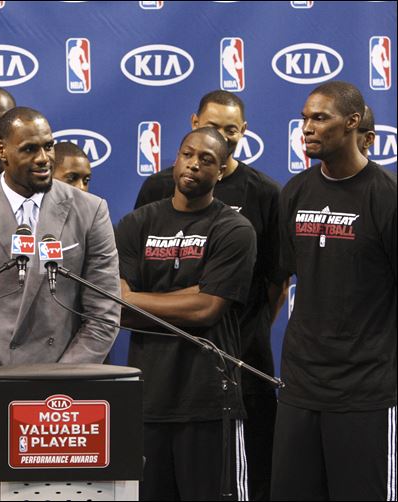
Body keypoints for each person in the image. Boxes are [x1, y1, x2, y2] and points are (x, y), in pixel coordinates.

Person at [0, 106, 121, 452]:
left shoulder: (91, 210)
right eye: (30, 149)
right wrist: (1, 386)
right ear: (1, 150)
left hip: (70, 397)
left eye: (48, 146)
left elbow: (104, 315)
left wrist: (57, 385)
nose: (44, 158)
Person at [134, 90, 286, 500]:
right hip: (162, 369)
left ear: (244, 131)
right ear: (193, 124)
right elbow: (129, 286)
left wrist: (230, 322)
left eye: (230, 130)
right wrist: (192, 301)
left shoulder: (264, 192)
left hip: (240, 361)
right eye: (210, 127)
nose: (221, 136)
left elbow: (275, 282)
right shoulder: (157, 189)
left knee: (244, 478)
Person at [116, 127, 257, 501]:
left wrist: (135, 298)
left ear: (222, 171)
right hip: (148, 400)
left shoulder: (234, 229)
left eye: (206, 160)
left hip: (209, 401)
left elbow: (207, 309)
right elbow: (116, 307)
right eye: (187, 154)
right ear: (176, 158)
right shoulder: (136, 224)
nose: (193, 164)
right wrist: (194, 293)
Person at [272, 81, 396, 501]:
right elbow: (282, 276)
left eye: (320, 118)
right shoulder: (295, 192)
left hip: (365, 390)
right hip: (300, 385)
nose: (307, 127)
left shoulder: (387, 197)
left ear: (352, 122)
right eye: (305, 118)